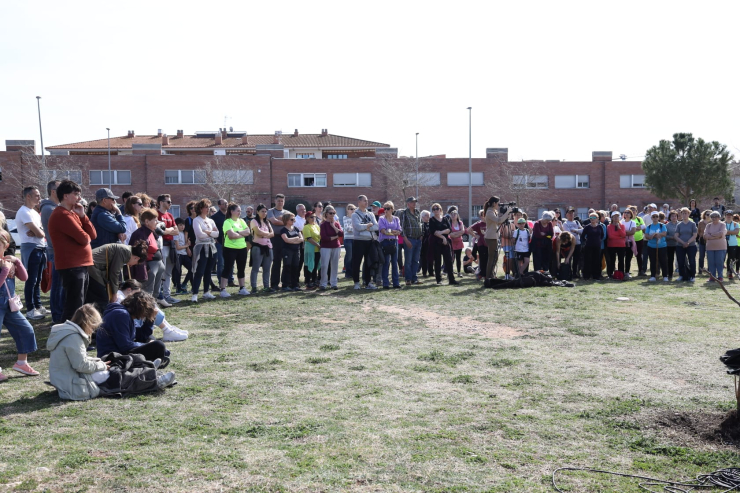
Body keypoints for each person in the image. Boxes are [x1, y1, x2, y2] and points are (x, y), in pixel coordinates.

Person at [48, 180, 97, 321]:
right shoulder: (62, 214)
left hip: (80, 265)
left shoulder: (73, 213)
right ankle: (68, 337)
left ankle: (77, 336)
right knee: (74, 305)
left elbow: (93, 235)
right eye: (76, 194)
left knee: (79, 304)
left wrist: (83, 216)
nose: (79, 198)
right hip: (72, 266)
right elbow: (84, 239)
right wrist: (84, 233)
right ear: (65, 196)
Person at [47, 304, 111, 400]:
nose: (92, 331)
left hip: (60, 379)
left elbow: (75, 359)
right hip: (71, 383)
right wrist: (102, 366)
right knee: (108, 374)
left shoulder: (65, 331)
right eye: (93, 327)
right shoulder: (74, 337)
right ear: (88, 323)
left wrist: (97, 362)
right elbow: (81, 365)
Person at [0, 230, 39, 381]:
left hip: (9, 306)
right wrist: (4, 270)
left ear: (6, 246)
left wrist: (17, 262)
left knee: (26, 330)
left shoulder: (9, 262)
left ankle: (21, 362)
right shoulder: (4, 266)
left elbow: (24, 277)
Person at [96, 292, 170, 362]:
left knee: (152, 340)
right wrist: (148, 345)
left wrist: (151, 318)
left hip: (118, 351)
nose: (146, 314)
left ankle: (154, 361)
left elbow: (142, 336)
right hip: (111, 356)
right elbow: (125, 345)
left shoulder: (125, 314)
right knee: (158, 345)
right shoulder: (121, 315)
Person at [116, 279, 187, 342]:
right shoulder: (120, 298)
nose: (136, 297)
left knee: (150, 305)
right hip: (128, 323)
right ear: (129, 290)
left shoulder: (122, 295)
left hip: (129, 322)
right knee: (148, 307)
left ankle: (169, 329)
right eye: (136, 293)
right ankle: (167, 331)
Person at [86, 241, 148, 311]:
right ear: (136, 258)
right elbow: (114, 272)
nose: (131, 265)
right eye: (135, 264)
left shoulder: (126, 250)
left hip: (92, 265)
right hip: (92, 266)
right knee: (102, 299)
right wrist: (114, 294)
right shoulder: (125, 252)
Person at [16, 186, 48, 320]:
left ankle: (38, 305)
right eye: (36, 195)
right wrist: (39, 231)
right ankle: (30, 309)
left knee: (38, 280)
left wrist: (39, 230)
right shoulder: (24, 212)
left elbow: (43, 231)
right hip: (31, 248)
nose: (39, 198)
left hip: (40, 248)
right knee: (31, 280)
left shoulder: (34, 212)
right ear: (28, 196)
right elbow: (40, 233)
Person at [128, 209, 168, 305]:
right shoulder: (139, 233)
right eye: (154, 220)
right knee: (147, 291)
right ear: (146, 221)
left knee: (155, 292)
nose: (157, 222)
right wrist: (146, 267)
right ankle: (146, 310)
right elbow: (138, 253)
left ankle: (152, 308)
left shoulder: (151, 232)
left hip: (157, 264)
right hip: (149, 266)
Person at [40, 179, 64, 323]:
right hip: (56, 251)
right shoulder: (50, 209)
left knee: (59, 285)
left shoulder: (53, 208)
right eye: (61, 189)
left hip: (57, 251)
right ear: (54, 191)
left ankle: (58, 314)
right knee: (57, 286)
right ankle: (57, 316)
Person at [218, 203, 251, 297]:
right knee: (228, 268)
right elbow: (231, 236)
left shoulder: (241, 221)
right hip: (230, 248)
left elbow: (248, 232)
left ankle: (242, 288)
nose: (240, 213)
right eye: (238, 211)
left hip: (242, 248)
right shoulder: (227, 222)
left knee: (241, 268)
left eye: (240, 211)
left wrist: (237, 232)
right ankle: (223, 289)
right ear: (232, 212)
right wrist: (241, 234)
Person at [190, 199, 219, 301]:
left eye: (208, 207)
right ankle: (195, 294)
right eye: (206, 207)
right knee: (199, 271)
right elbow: (199, 235)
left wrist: (207, 232)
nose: (208, 209)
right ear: (201, 208)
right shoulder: (196, 220)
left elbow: (217, 233)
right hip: (201, 248)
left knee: (208, 271)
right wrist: (211, 233)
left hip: (211, 247)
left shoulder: (211, 220)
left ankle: (206, 292)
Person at [156, 194, 180, 305]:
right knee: (161, 273)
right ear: (161, 202)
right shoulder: (156, 214)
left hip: (171, 246)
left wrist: (167, 229)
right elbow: (160, 231)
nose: (170, 204)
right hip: (161, 246)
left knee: (168, 273)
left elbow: (177, 231)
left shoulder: (170, 215)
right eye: (168, 202)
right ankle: (159, 296)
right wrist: (168, 230)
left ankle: (167, 295)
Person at [351, 195, 379, 290]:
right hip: (359, 241)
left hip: (370, 241)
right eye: (364, 201)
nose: (366, 202)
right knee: (356, 262)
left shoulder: (370, 214)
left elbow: (376, 226)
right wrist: (368, 226)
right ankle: (356, 282)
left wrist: (366, 227)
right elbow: (357, 227)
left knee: (369, 262)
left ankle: (368, 282)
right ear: (359, 202)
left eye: (367, 201)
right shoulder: (355, 215)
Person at [483, 197, 511, 286]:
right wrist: (507, 213)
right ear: (494, 203)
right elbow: (498, 220)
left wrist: (507, 214)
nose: (499, 205)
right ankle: (488, 278)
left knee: (494, 257)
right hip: (490, 237)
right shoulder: (489, 212)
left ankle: (492, 275)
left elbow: (499, 222)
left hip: (494, 236)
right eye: (498, 203)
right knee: (492, 258)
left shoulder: (493, 211)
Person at [429, 203, 459, 286]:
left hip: (446, 243)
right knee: (438, 261)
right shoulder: (432, 220)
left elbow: (449, 229)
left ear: (440, 209)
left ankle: (451, 279)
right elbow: (433, 231)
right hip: (436, 242)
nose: (435, 210)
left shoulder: (445, 218)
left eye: (437, 209)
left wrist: (441, 232)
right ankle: (439, 279)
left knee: (449, 261)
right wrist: (443, 238)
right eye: (434, 209)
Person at [398, 198, 423, 286]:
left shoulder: (417, 212)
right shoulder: (404, 213)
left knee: (416, 260)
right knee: (408, 260)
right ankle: (408, 279)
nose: (414, 203)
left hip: (418, 239)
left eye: (415, 202)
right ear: (408, 203)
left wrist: (421, 235)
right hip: (409, 239)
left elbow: (421, 224)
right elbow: (402, 228)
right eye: (412, 202)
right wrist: (406, 240)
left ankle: (414, 278)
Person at [250, 204, 274, 293]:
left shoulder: (267, 222)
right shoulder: (254, 221)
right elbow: (258, 232)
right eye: (262, 211)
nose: (264, 213)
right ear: (257, 212)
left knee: (267, 269)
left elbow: (273, 233)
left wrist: (264, 234)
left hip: (268, 247)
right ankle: (254, 287)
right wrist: (267, 234)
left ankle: (266, 286)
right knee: (255, 268)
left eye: (265, 211)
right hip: (258, 247)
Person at [210, 198, 234, 289]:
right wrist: (214, 238)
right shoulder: (214, 217)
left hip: (231, 242)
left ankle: (230, 280)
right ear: (219, 206)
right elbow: (211, 229)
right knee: (221, 263)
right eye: (224, 204)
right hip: (220, 243)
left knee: (231, 261)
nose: (226, 205)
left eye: (227, 203)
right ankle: (221, 281)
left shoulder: (230, 216)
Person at [266, 194, 288, 290]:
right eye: (278, 201)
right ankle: (274, 284)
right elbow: (274, 222)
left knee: (286, 262)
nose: (280, 202)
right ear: (275, 201)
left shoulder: (287, 212)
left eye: (282, 201)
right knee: (276, 261)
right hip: (275, 238)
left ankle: (285, 283)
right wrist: (286, 221)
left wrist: (281, 220)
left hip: (286, 238)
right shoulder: (270, 211)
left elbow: (292, 222)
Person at [318, 206, 342, 290]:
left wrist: (333, 226)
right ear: (326, 214)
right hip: (325, 247)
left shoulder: (336, 223)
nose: (332, 215)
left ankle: (333, 283)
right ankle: (323, 283)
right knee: (324, 265)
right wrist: (335, 237)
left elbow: (341, 234)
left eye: (334, 213)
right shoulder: (323, 224)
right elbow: (324, 238)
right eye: (331, 213)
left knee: (335, 265)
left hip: (336, 246)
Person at [378, 202, 401, 289]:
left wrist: (390, 232)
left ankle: (396, 283)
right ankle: (385, 283)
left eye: (388, 208)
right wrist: (393, 232)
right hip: (385, 242)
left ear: (392, 209)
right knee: (386, 262)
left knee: (395, 263)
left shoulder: (396, 219)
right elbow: (383, 230)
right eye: (385, 209)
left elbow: (399, 231)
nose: (386, 210)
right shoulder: (381, 219)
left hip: (394, 242)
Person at [279, 212, 304, 292]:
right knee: (287, 266)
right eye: (292, 219)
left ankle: (294, 285)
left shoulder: (296, 229)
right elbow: (286, 240)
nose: (294, 220)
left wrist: (293, 240)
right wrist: (296, 239)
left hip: (296, 251)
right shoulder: (283, 230)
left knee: (295, 267)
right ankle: (285, 285)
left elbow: (301, 239)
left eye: (294, 219)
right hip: (287, 251)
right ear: (286, 220)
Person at [674, 207, 698, 282]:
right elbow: (676, 236)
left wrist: (688, 242)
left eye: (686, 213)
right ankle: (681, 275)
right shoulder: (679, 225)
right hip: (680, 246)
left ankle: (692, 276)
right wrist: (683, 243)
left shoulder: (692, 224)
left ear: (688, 214)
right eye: (683, 213)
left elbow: (694, 235)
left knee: (692, 261)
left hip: (691, 245)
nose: (684, 215)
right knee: (680, 261)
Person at [645, 211, 669, 282]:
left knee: (663, 261)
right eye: (653, 217)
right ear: (651, 218)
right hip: (651, 246)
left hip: (661, 246)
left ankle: (665, 276)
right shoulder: (649, 226)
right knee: (653, 261)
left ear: (658, 218)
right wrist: (651, 236)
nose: (655, 218)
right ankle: (653, 275)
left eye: (656, 216)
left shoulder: (662, 225)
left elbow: (664, 233)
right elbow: (646, 235)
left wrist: (659, 234)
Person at [704, 211, 727, 281]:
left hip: (721, 247)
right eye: (712, 217)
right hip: (710, 247)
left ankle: (720, 276)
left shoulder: (722, 225)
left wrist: (710, 235)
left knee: (719, 262)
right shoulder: (708, 225)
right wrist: (715, 236)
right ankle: (712, 276)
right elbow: (705, 236)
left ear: (719, 217)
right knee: (711, 262)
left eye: (716, 217)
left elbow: (721, 234)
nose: (714, 218)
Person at [581, 214, 605, 280]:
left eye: (594, 217)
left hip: (597, 246)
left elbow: (602, 235)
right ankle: (586, 276)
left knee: (597, 261)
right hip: (588, 246)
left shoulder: (600, 226)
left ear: (597, 219)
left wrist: (598, 240)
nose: (592, 219)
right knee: (588, 261)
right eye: (591, 217)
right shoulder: (587, 227)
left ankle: (596, 276)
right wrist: (586, 241)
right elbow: (582, 236)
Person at [561, 208, 583, 279]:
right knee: (569, 259)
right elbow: (568, 234)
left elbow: (582, 230)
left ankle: (575, 273)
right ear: (566, 215)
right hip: (569, 244)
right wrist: (577, 231)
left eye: (572, 213)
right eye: (570, 213)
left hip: (578, 243)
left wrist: (575, 230)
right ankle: (568, 273)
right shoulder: (565, 223)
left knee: (576, 259)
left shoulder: (577, 222)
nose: (571, 215)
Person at [173, 218, 192, 294]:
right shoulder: (176, 234)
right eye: (180, 225)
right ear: (176, 225)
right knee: (178, 272)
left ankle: (184, 283)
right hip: (178, 254)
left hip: (184, 254)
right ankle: (178, 288)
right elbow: (177, 247)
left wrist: (187, 245)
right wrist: (186, 246)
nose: (182, 226)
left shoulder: (184, 233)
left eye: (183, 225)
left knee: (192, 268)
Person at [301, 211, 321, 289]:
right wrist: (318, 245)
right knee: (309, 264)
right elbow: (309, 238)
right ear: (307, 218)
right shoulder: (306, 227)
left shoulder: (317, 226)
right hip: (310, 248)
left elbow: (320, 236)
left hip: (317, 249)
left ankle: (314, 280)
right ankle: (308, 282)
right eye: (311, 217)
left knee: (316, 265)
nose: (313, 218)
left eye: (315, 217)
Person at [605, 211, 626, 278]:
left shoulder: (622, 226)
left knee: (621, 260)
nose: (616, 218)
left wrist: (619, 229)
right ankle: (610, 273)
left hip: (621, 245)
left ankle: (621, 273)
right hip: (611, 245)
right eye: (614, 216)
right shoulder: (609, 226)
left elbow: (623, 235)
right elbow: (610, 236)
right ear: (612, 218)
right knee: (612, 260)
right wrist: (619, 237)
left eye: (617, 216)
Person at [467, 210, 487, 281]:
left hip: (489, 244)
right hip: (481, 244)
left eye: (485, 214)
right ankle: (481, 274)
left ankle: (487, 274)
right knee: (482, 260)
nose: (484, 216)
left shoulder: (490, 223)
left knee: (488, 260)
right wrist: (476, 236)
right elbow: (468, 230)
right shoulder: (478, 224)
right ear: (480, 216)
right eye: (482, 215)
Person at [448, 209, 466, 277]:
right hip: (451, 242)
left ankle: (459, 272)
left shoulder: (460, 223)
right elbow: (450, 233)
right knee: (451, 258)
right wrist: (457, 234)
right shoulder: (449, 223)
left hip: (459, 242)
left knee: (458, 258)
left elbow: (462, 231)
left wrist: (454, 234)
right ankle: (450, 272)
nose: (453, 216)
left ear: (457, 215)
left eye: (454, 214)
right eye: (451, 214)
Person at [664, 210, 680, 281]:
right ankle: (669, 274)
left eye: (675, 216)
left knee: (680, 259)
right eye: (672, 216)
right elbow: (665, 236)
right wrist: (671, 237)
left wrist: (678, 238)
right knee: (670, 260)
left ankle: (682, 274)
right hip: (669, 245)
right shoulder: (666, 225)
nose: (674, 217)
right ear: (670, 217)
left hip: (679, 244)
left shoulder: (680, 224)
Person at [621, 209, 637, 279]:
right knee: (621, 257)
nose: (626, 214)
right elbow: (619, 232)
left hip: (630, 242)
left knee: (628, 258)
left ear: (631, 215)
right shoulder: (621, 222)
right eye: (625, 212)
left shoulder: (633, 222)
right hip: (621, 242)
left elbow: (632, 232)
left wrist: (624, 232)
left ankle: (627, 272)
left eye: (628, 213)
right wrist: (626, 232)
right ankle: (621, 272)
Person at [343, 204, 356, 279]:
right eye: (350, 209)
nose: (352, 210)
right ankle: (348, 273)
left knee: (354, 256)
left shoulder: (356, 218)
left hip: (355, 239)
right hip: (348, 239)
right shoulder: (345, 218)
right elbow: (347, 228)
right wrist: (355, 227)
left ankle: (353, 272)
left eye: (354, 209)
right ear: (347, 210)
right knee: (349, 256)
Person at [697, 210, 712, 274]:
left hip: (710, 241)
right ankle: (700, 269)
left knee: (709, 256)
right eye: (707, 214)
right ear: (704, 215)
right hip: (702, 240)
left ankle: (709, 270)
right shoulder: (700, 222)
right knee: (701, 256)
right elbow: (698, 231)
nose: (708, 216)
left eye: (709, 214)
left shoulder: (713, 222)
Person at [420, 210, 432, 278]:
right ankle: (424, 272)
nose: (428, 217)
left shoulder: (430, 224)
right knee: (424, 258)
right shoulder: (421, 224)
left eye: (428, 215)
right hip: (424, 243)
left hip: (430, 243)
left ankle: (431, 271)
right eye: (426, 215)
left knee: (431, 258)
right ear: (422, 217)